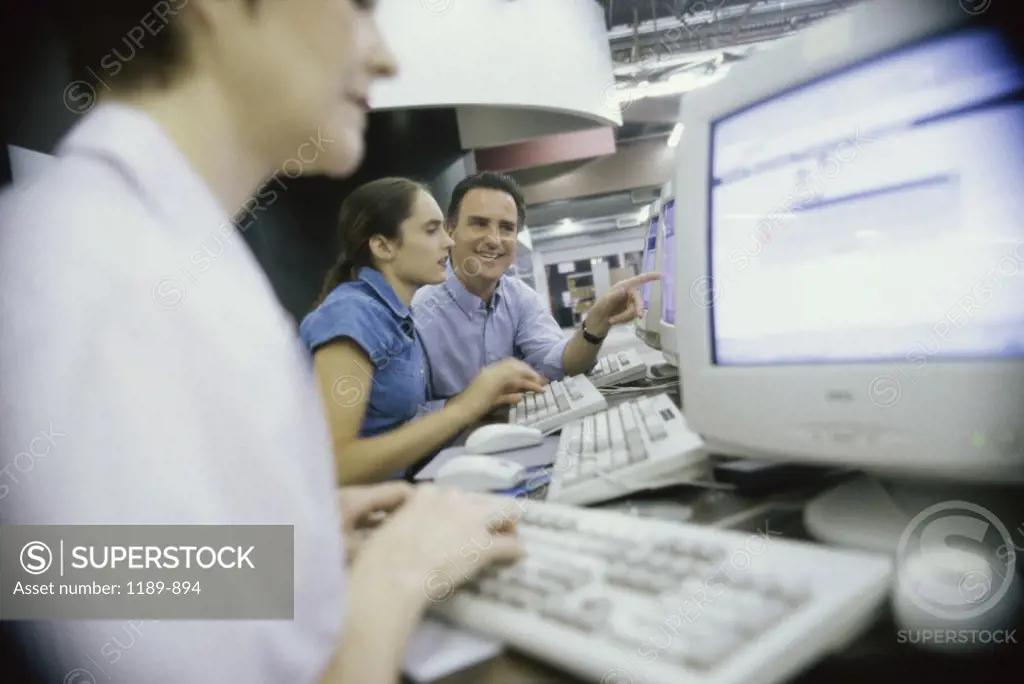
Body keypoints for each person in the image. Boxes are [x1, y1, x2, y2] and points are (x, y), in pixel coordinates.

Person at [0, 2, 524, 683]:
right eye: (359, 8)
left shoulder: (150, 245)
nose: (386, 58)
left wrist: (288, 545)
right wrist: (402, 571)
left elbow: (85, 572)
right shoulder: (93, 273)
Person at [301, 177, 545, 484]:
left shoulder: (397, 316)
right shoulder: (351, 315)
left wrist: (480, 399)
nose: (449, 241)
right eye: (432, 230)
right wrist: (464, 409)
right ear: (382, 245)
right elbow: (335, 465)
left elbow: (395, 425)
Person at [412, 171, 661, 402]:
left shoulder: (519, 298)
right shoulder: (416, 313)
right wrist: (472, 405)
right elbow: (401, 420)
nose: (494, 240)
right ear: (450, 229)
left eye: (507, 228)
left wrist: (597, 321)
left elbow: (561, 364)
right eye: (479, 223)